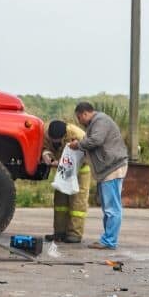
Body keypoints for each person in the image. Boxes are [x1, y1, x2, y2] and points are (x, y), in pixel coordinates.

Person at [68, 102, 129, 250]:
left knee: (112, 208)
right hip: (106, 170)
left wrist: (79, 145)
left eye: (79, 117)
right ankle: (107, 239)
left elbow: (96, 140)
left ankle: (109, 241)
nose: (79, 121)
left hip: (112, 169)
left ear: (84, 114)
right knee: (108, 207)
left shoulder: (100, 121)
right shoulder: (95, 124)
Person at [42, 120, 90, 244]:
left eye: (58, 140)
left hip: (80, 170)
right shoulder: (46, 133)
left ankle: (75, 234)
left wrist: (65, 161)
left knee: (77, 203)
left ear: (64, 135)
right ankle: (59, 233)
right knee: (60, 203)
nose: (55, 142)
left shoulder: (78, 134)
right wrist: (47, 155)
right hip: (63, 170)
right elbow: (46, 147)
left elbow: (88, 151)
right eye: (53, 140)